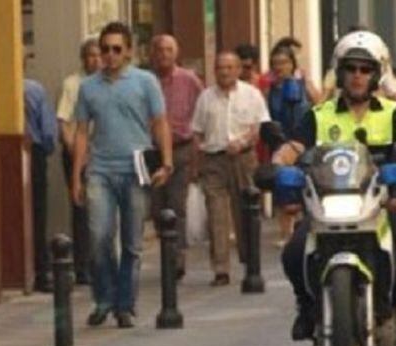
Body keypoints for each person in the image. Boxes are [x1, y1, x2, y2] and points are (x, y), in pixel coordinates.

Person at [273, 32, 396, 346]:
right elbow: (294, 148)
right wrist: (277, 166)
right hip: (328, 208)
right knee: (294, 251)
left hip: (383, 205)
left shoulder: (393, 113)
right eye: (351, 68)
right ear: (340, 72)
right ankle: (306, 305)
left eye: (365, 69)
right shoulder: (319, 114)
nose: (358, 75)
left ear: (377, 74)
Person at [72, 21, 173, 328]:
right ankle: (104, 299)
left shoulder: (145, 82)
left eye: (117, 49)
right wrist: (76, 175)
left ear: (128, 51)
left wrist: (166, 162)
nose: (110, 55)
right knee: (99, 237)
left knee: (132, 242)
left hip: (135, 169)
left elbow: (159, 122)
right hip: (100, 170)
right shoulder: (88, 87)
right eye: (105, 50)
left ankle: (125, 304)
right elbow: (81, 133)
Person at [191, 51, 270, 286]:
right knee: (217, 212)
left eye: (229, 67)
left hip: (243, 158)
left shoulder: (251, 95)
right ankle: (221, 268)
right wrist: (200, 158)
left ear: (237, 69)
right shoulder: (206, 97)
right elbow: (196, 131)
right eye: (219, 68)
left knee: (245, 211)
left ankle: (249, 260)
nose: (224, 72)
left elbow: (259, 127)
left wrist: (244, 141)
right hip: (214, 159)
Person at [149, 34, 204, 280]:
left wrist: (196, 156)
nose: (164, 54)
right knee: (158, 206)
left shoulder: (189, 80)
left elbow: (201, 113)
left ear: (176, 52)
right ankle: (166, 250)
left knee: (177, 204)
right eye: (159, 50)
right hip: (153, 151)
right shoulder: (146, 81)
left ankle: (177, 256)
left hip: (181, 148)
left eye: (168, 50)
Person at [57, 38, 102, 285]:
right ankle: (82, 265)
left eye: (98, 55)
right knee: (81, 208)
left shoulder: (107, 82)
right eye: (90, 55)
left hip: (101, 152)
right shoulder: (72, 84)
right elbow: (63, 121)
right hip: (77, 152)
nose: (94, 60)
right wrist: (73, 149)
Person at [264, 44, 314, 244]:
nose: (279, 67)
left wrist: (307, 81)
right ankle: (286, 232)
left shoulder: (303, 85)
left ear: (292, 64)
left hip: (305, 141)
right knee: (282, 184)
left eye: (283, 62)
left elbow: (319, 104)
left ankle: (306, 225)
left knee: (305, 181)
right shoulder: (271, 90)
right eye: (275, 63)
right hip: (281, 140)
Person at [24, 76, 58, 292]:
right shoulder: (34, 89)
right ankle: (41, 269)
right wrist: (47, 148)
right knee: (38, 212)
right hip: (34, 152)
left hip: (22, 150)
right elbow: (48, 132)